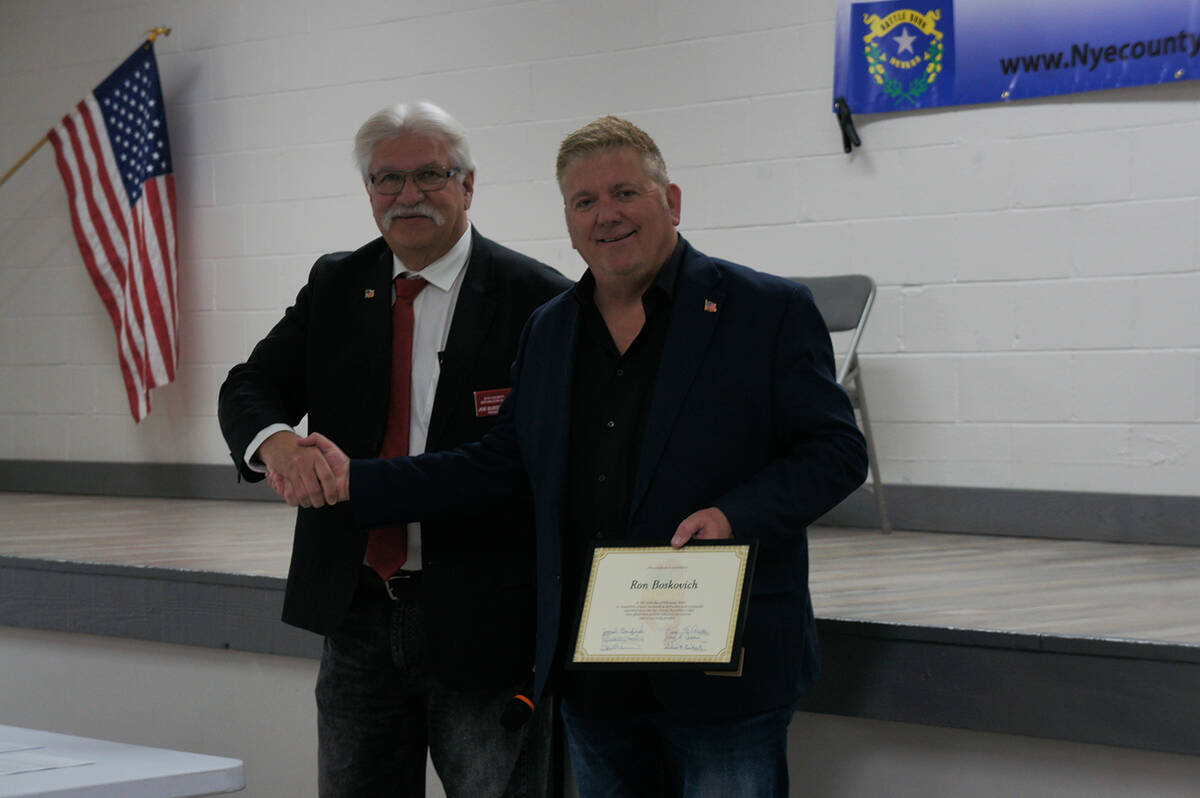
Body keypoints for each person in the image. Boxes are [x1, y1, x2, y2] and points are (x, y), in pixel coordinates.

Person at [299, 115, 868, 797]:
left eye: (626, 193)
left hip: (724, 666)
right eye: (584, 201)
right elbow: (499, 462)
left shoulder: (764, 310)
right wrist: (354, 484)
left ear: (672, 201)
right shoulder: (552, 329)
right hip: (596, 671)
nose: (607, 216)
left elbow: (836, 450)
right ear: (568, 218)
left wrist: (733, 514)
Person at [217, 101, 570, 797]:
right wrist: (278, 443)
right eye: (387, 179)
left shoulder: (539, 299)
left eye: (430, 175)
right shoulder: (337, 284)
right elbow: (249, 386)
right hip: (357, 612)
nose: (407, 195)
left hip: (486, 618)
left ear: (468, 185)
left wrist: (360, 482)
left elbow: (515, 465)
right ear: (369, 192)